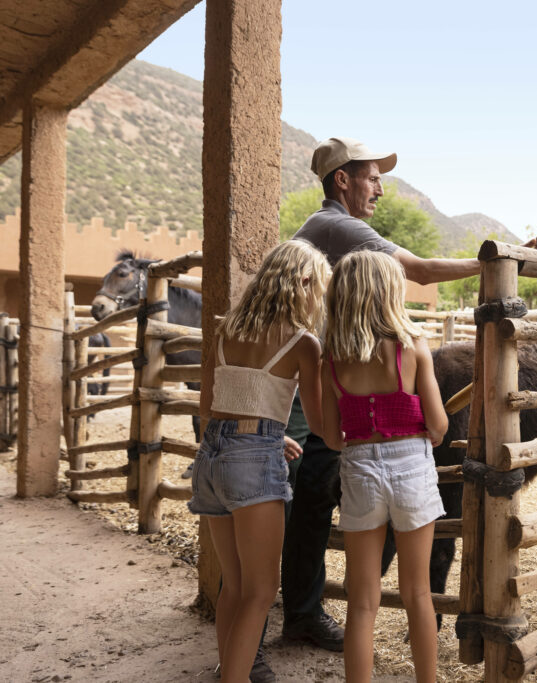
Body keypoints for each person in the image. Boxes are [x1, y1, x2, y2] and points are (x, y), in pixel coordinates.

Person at [279, 136, 480, 652]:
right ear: (342, 180)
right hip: (314, 387)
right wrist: (493, 265)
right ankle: (296, 614)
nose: (380, 190)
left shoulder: (324, 229)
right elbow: (421, 271)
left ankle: (302, 609)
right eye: (372, 177)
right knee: (313, 489)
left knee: (313, 491)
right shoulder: (338, 225)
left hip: (314, 380)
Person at [188, 240, 330, 683]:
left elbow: (215, 403)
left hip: (212, 457)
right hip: (252, 462)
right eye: (318, 288)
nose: (318, 299)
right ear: (304, 281)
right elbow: (322, 422)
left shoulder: (228, 328)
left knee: (234, 584)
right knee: (263, 590)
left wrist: (272, 431)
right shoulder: (302, 341)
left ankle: (226, 667)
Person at [320, 249, 447, 683]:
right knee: (417, 593)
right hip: (410, 465)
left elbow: (331, 436)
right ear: (388, 292)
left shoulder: (331, 359)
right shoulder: (412, 347)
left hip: (358, 470)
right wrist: (427, 431)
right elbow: (438, 423)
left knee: (361, 600)